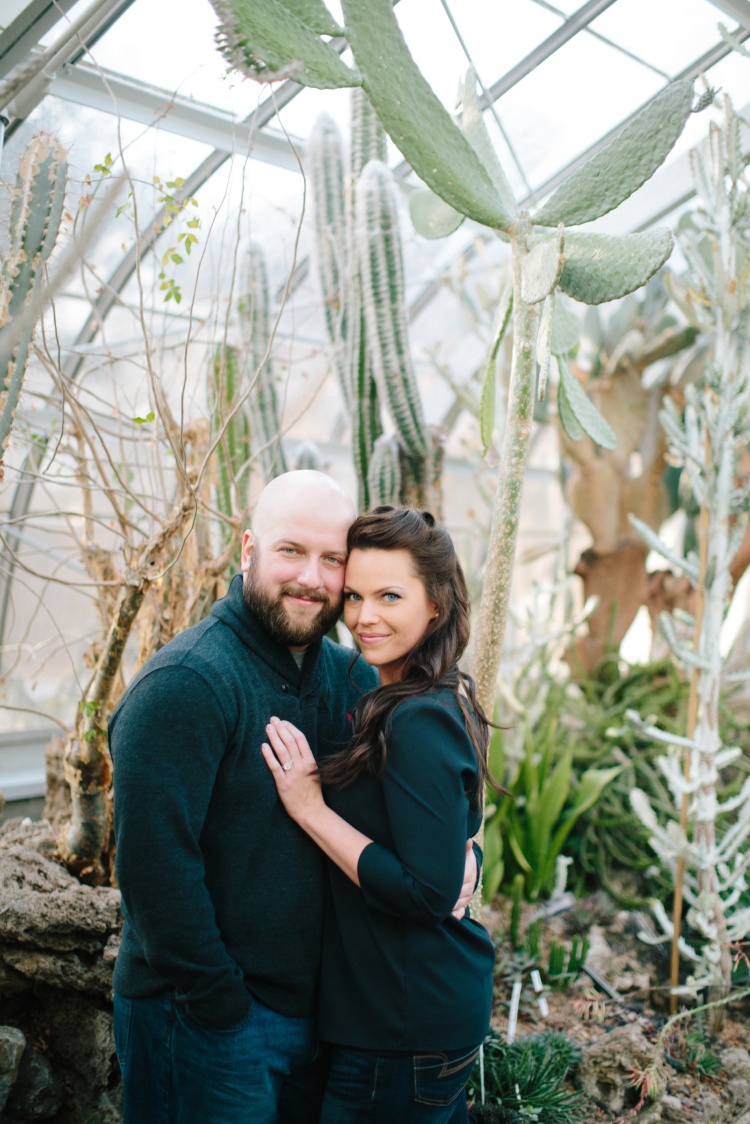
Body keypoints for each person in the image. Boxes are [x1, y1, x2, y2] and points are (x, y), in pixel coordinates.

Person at [109, 472, 478, 1124]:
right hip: (210, 1020)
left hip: (321, 1019)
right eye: (290, 551)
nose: (312, 577)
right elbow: (154, 871)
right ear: (248, 549)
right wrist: (220, 1005)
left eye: (332, 559)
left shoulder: (351, 677)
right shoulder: (186, 685)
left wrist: (467, 849)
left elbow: (430, 791)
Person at [262, 506, 495, 1124]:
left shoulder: (417, 717)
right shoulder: (432, 693)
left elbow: (426, 892)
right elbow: (449, 826)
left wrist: (311, 810)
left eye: (390, 595)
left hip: (403, 1027)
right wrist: (466, 848)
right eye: (356, 595)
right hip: (415, 1016)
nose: (365, 617)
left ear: (437, 604)